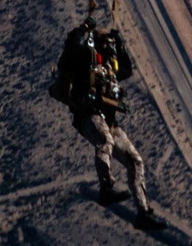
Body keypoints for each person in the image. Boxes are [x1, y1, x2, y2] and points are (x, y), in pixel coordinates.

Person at [56, 19, 167, 231]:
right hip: (88, 116)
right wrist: (84, 28)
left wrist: (120, 42)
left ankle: (143, 212)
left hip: (109, 121)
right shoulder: (84, 60)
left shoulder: (109, 69)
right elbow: (71, 46)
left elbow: (126, 70)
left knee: (135, 161)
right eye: (106, 46)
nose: (109, 51)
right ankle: (106, 187)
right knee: (104, 140)